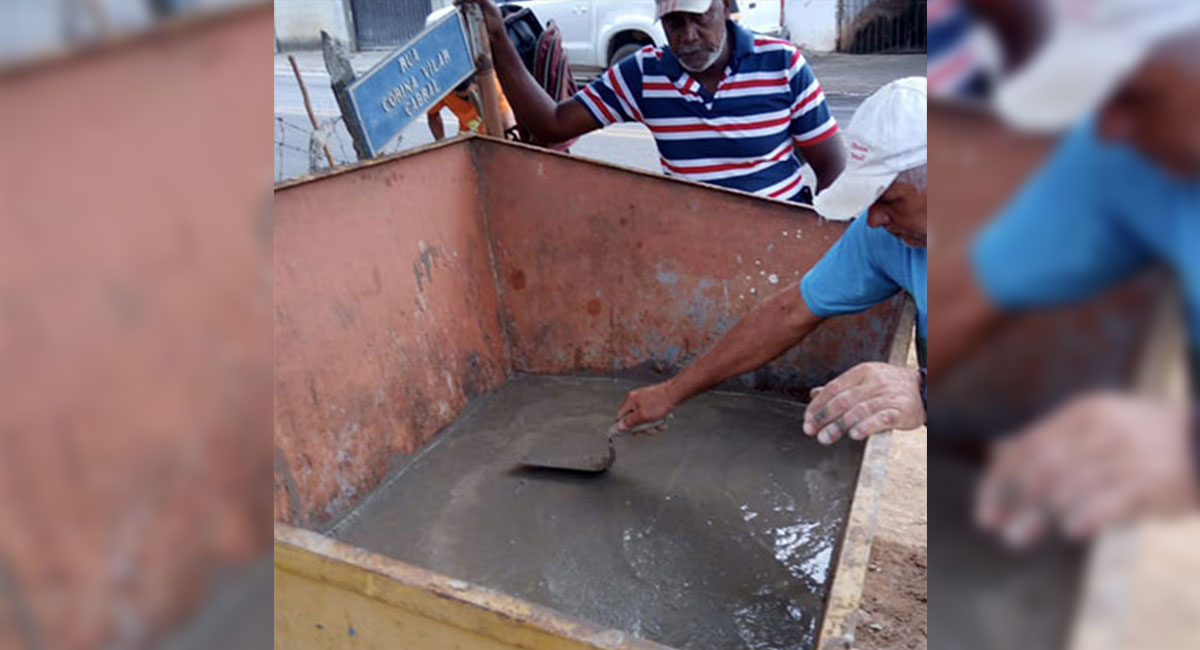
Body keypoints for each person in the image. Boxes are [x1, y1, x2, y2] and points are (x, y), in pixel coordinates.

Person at [931, 0, 1200, 547]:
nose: (1109, 129)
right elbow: (970, 291)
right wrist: (915, 386)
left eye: (1135, 94)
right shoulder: (1120, 146)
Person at [617, 77, 928, 445]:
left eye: (890, 201)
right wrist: (670, 392)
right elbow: (788, 313)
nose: (874, 219)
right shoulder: (882, 238)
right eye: (869, 201)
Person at [457, 0, 846, 202]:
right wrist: (497, 36)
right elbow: (553, 123)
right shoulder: (645, 74)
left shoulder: (782, 63)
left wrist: (814, 237)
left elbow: (832, 167)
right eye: (675, 23)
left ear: (725, 8)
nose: (689, 36)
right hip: (689, 243)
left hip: (779, 239)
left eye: (700, 19)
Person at [426, 75, 515, 140]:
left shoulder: (490, 85)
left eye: (474, 94)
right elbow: (432, 114)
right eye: (465, 98)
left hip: (494, 134)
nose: (471, 102)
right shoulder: (443, 92)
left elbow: (508, 122)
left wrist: (511, 137)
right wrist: (441, 140)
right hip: (468, 137)